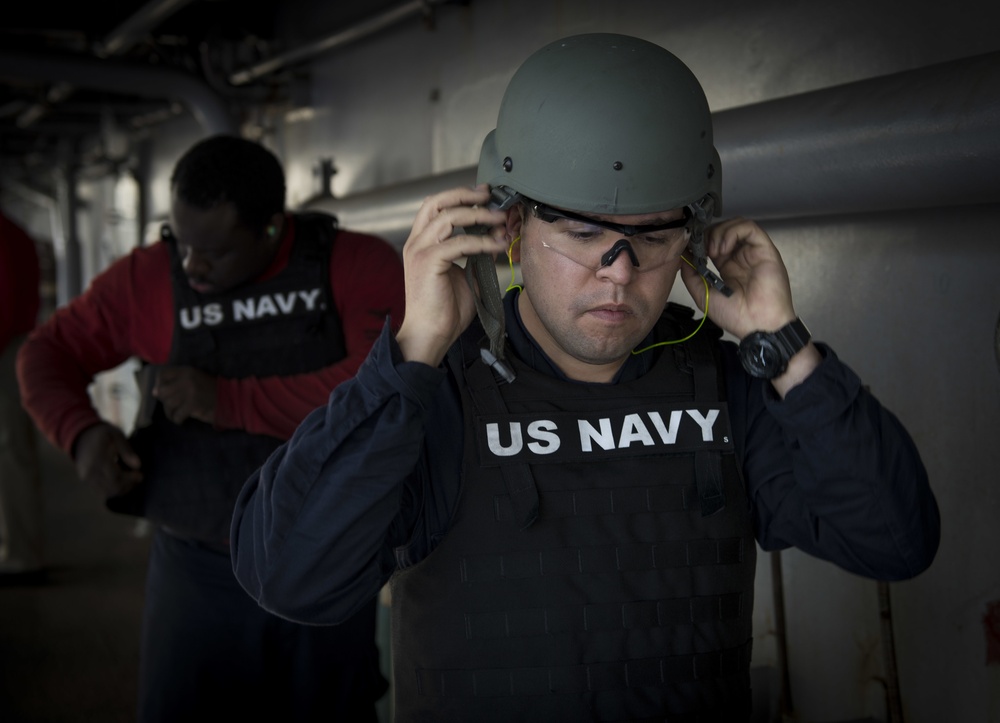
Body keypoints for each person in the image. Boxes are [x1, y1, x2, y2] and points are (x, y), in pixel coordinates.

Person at [230, 34, 940, 722]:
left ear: (690, 239)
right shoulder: (434, 395)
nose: (620, 271)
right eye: (582, 235)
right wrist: (413, 350)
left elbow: (895, 540)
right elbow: (289, 576)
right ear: (508, 227)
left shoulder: (731, 388)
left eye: (654, 236)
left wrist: (784, 347)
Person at [16, 134, 404, 722]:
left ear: (272, 228)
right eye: (182, 242)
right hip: (197, 567)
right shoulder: (148, 279)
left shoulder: (353, 265)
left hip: (326, 560)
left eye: (215, 253)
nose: (191, 266)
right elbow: (45, 353)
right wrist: (82, 432)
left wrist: (230, 400)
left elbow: (380, 387)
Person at [0, 208, 44, 583]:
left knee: (12, 453)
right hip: (13, 347)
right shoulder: (15, 231)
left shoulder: (4, 236)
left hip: (4, 350)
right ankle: (19, 548)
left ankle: (22, 556)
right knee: (15, 452)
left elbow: (6, 302)